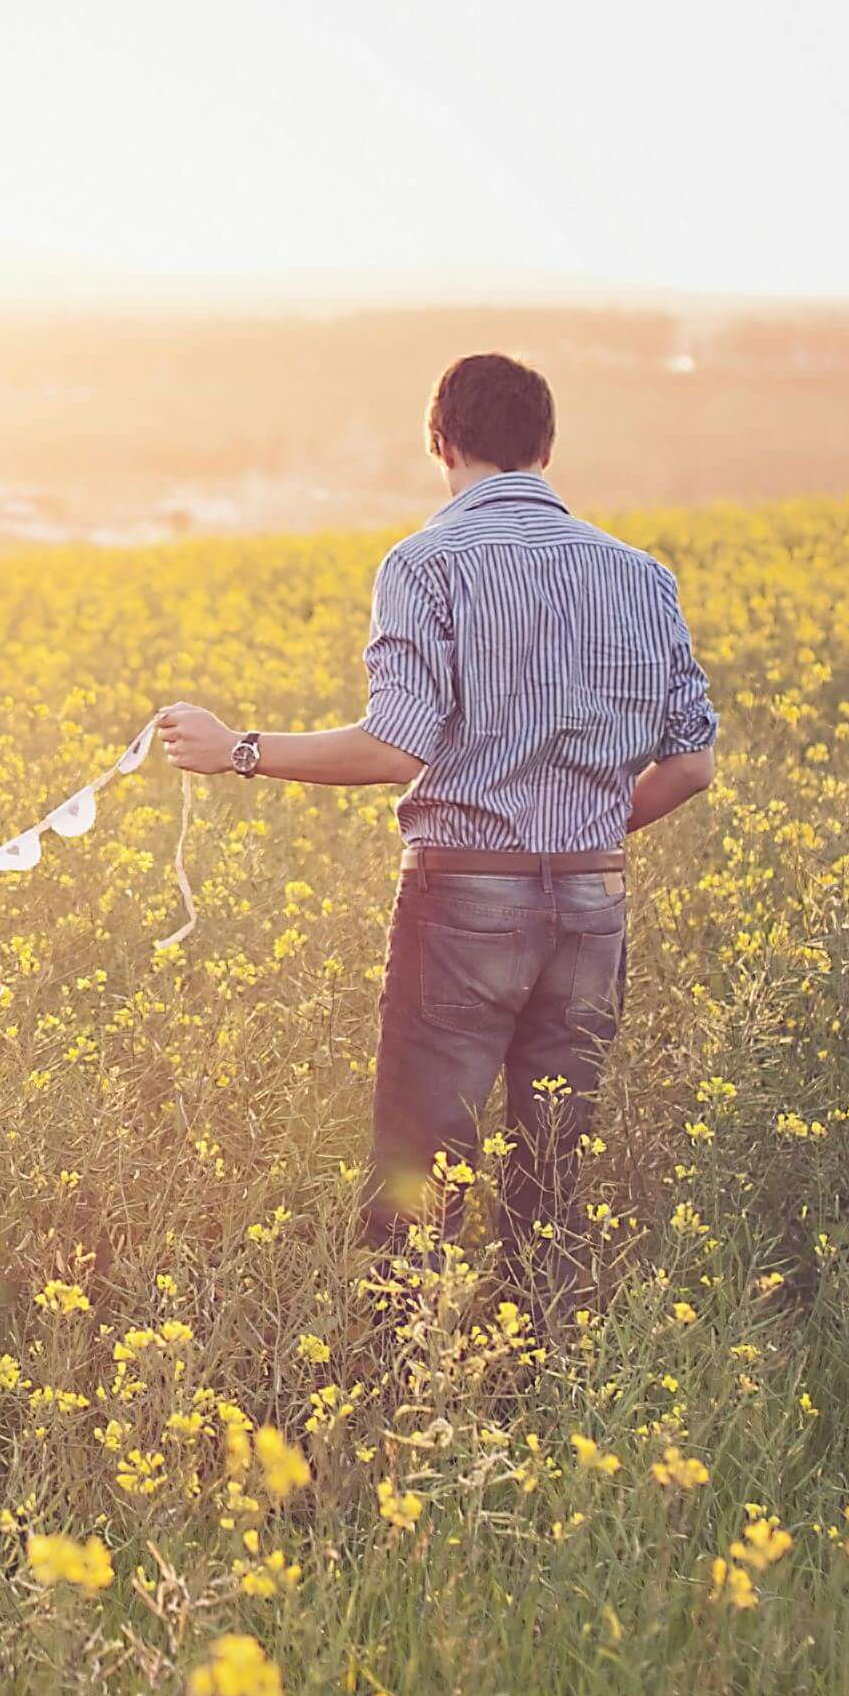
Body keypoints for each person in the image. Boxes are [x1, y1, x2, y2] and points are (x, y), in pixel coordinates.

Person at [157, 352, 716, 1314]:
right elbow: (693, 763)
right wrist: (578, 831)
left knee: (422, 1175)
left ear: (440, 443)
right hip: (593, 904)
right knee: (552, 1180)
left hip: (464, 902)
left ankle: (414, 1394)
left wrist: (234, 749)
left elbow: (395, 745)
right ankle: (537, 1398)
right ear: (545, 447)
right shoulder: (639, 574)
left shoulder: (427, 563)